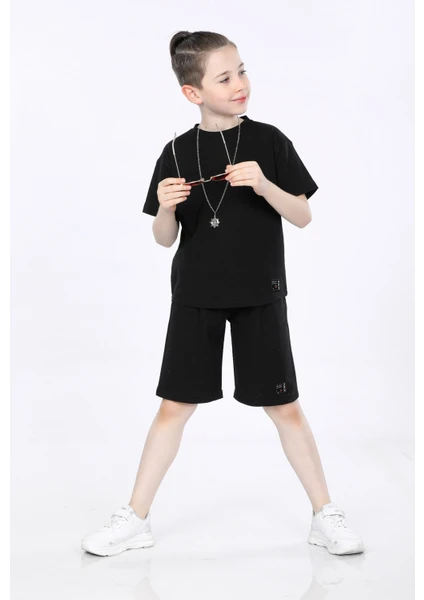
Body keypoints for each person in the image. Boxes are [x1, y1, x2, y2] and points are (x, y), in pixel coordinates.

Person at [81, 30, 365, 557]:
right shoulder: (175, 151)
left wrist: (264, 184)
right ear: (193, 92)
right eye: (225, 78)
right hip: (195, 295)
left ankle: (324, 514)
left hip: (261, 293)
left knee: (285, 407)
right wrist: (166, 207)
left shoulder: (270, 141)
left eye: (242, 71)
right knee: (173, 407)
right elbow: (164, 238)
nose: (240, 84)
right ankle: (135, 518)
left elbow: (303, 215)